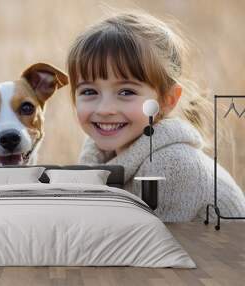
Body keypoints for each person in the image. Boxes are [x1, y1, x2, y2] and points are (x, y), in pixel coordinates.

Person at [66, 10, 245, 222]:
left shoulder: (172, 166)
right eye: (89, 92)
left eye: (126, 92)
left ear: (167, 100)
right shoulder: (97, 155)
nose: (105, 109)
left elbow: (141, 251)